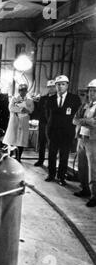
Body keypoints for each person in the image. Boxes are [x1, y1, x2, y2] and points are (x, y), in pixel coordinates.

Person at [45, 75, 81, 186]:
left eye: (63, 84)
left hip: (67, 132)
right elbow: (47, 115)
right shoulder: (50, 100)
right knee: (52, 154)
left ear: (67, 85)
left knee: (64, 156)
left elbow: (77, 115)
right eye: (58, 84)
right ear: (55, 86)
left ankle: (61, 177)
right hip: (53, 132)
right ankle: (51, 174)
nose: (60, 87)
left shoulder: (74, 99)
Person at [73, 79, 96, 207]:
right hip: (81, 138)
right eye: (90, 91)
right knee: (82, 166)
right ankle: (85, 189)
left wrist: (83, 121)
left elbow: (95, 123)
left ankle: (94, 196)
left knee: (93, 169)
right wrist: (87, 120)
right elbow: (74, 120)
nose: (92, 93)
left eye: (94, 91)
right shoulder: (85, 105)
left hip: (93, 141)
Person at [3, 83, 34, 162]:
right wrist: (21, 109)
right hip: (15, 121)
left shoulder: (29, 100)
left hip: (24, 121)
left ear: (26, 91)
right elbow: (11, 108)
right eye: (21, 90)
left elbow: (31, 109)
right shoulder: (14, 99)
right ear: (18, 91)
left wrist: (27, 110)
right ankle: (11, 156)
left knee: (22, 140)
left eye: (24, 90)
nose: (22, 92)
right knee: (13, 139)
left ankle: (19, 157)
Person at [33, 80, 56, 166]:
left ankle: (52, 164)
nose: (51, 88)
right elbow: (39, 110)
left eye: (53, 86)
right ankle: (40, 160)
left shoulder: (58, 99)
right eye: (49, 87)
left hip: (53, 126)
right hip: (43, 124)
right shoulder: (43, 98)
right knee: (42, 143)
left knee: (52, 145)